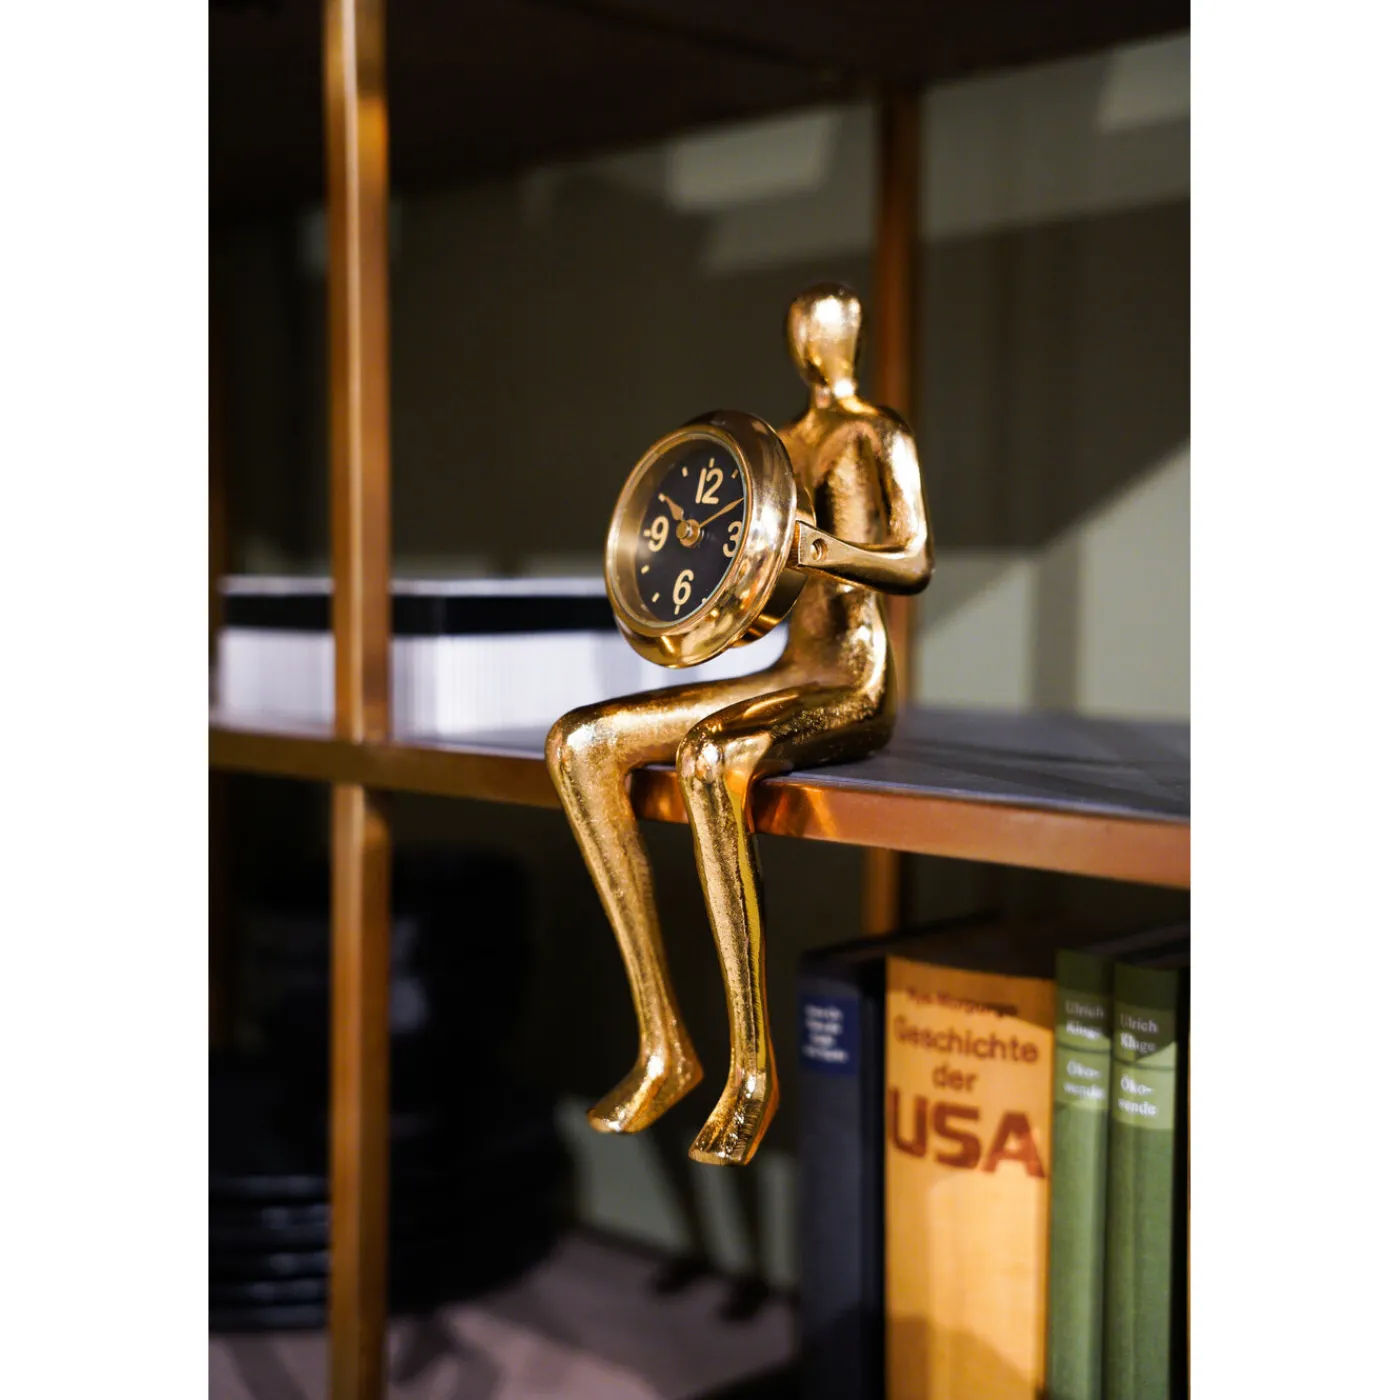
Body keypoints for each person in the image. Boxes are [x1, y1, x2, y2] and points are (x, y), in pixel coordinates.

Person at [546, 283, 933, 1164]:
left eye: (826, 333)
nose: (815, 348)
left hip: (851, 675)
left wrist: (822, 551)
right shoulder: (777, 445)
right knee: (581, 743)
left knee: (713, 755)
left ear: (850, 338)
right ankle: (664, 1046)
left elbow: (914, 562)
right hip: (789, 665)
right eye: (803, 334)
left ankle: (753, 1070)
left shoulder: (879, 434)